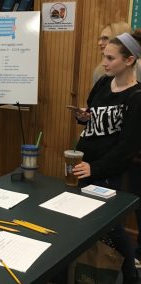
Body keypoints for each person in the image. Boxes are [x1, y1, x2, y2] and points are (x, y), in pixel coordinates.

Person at [72, 30, 141, 283]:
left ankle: (131, 273)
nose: (104, 62)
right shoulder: (102, 82)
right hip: (83, 163)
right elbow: (93, 115)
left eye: (110, 58)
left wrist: (95, 169)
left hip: (105, 172)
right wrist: (83, 117)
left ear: (129, 60)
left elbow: (126, 149)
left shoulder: (136, 98)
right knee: (87, 219)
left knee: (108, 224)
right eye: (104, 56)